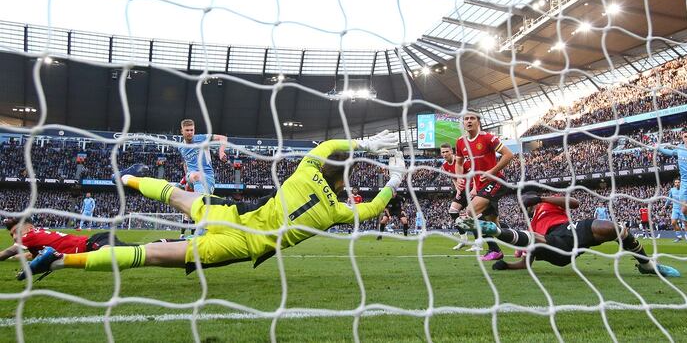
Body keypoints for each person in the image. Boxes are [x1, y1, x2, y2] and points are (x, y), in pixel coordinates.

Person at [18, 132, 403, 280]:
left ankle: (129, 179)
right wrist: (394, 180)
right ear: (344, 182)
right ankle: (58, 261)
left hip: (229, 215)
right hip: (241, 244)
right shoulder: (336, 212)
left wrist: (364, 145)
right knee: (147, 254)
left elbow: (327, 148)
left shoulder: (305, 169)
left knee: (179, 196)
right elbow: (371, 211)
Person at [456, 194, 680, 277]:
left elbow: (574, 202)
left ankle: (647, 265)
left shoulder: (549, 203)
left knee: (614, 228)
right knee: (533, 238)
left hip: (572, 229)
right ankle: (494, 231)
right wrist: (508, 266)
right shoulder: (530, 224)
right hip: (553, 246)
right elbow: (527, 263)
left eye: (526, 198)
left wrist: (542, 197)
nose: (524, 202)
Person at [455, 110, 513, 261]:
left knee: (470, 211)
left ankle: (494, 250)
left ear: (478, 121)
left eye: (472, 118)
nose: (468, 121)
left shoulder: (488, 138)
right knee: (495, 226)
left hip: (496, 181)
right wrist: (460, 177)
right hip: (481, 187)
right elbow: (459, 163)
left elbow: (509, 154)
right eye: (466, 119)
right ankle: (523, 243)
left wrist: (491, 172)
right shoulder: (460, 142)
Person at [1, 217, 139, 279]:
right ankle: (160, 243)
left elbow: (7, 252)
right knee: (135, 252)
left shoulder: (28, 236)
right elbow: (31, 255)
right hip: (95, 242)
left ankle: (159, 245)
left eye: (16, 231)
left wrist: (10, 255)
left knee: (118, 256)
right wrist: (15, 258)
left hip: (93, 244)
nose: (14, 236)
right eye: (12, 234)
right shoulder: (38, 235)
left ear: (29, 227)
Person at [178, 119, 229, 194]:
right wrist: (187, 179)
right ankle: (198, 196)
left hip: (208, 177)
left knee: (201, 198)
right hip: (193, 175)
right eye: (187, 130)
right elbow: (185, 163)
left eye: (191, 130)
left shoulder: (202, 138)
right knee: (195, 177)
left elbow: (223, 138)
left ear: (194, 130)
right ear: (182, 131)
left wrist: (221, 152)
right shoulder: (181, 147)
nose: (190, 132)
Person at [441, 142, 472, 250]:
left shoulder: (460, 161)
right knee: (453, 211)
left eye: (447, 151)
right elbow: (454, 178)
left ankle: (479, 244)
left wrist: (474, 189)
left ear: (452, 152)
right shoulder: (444, 166)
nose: (445, 154)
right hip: (463, 191)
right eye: (443, 152)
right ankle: (463, 239)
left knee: (476, 215)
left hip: (473, 189)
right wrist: (458, 189)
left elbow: (473, 174)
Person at [666, 179, 687, 243]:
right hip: (675, 209)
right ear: (674, 184)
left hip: (683, 208)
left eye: (678, 182)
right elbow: (669, 199)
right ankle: (679, 237)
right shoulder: (672, 190)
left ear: (680, 183)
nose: (677, 183)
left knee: (685, 224)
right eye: (676, 182)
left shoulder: (684, 190)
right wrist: (665, 206)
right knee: (673, 223)